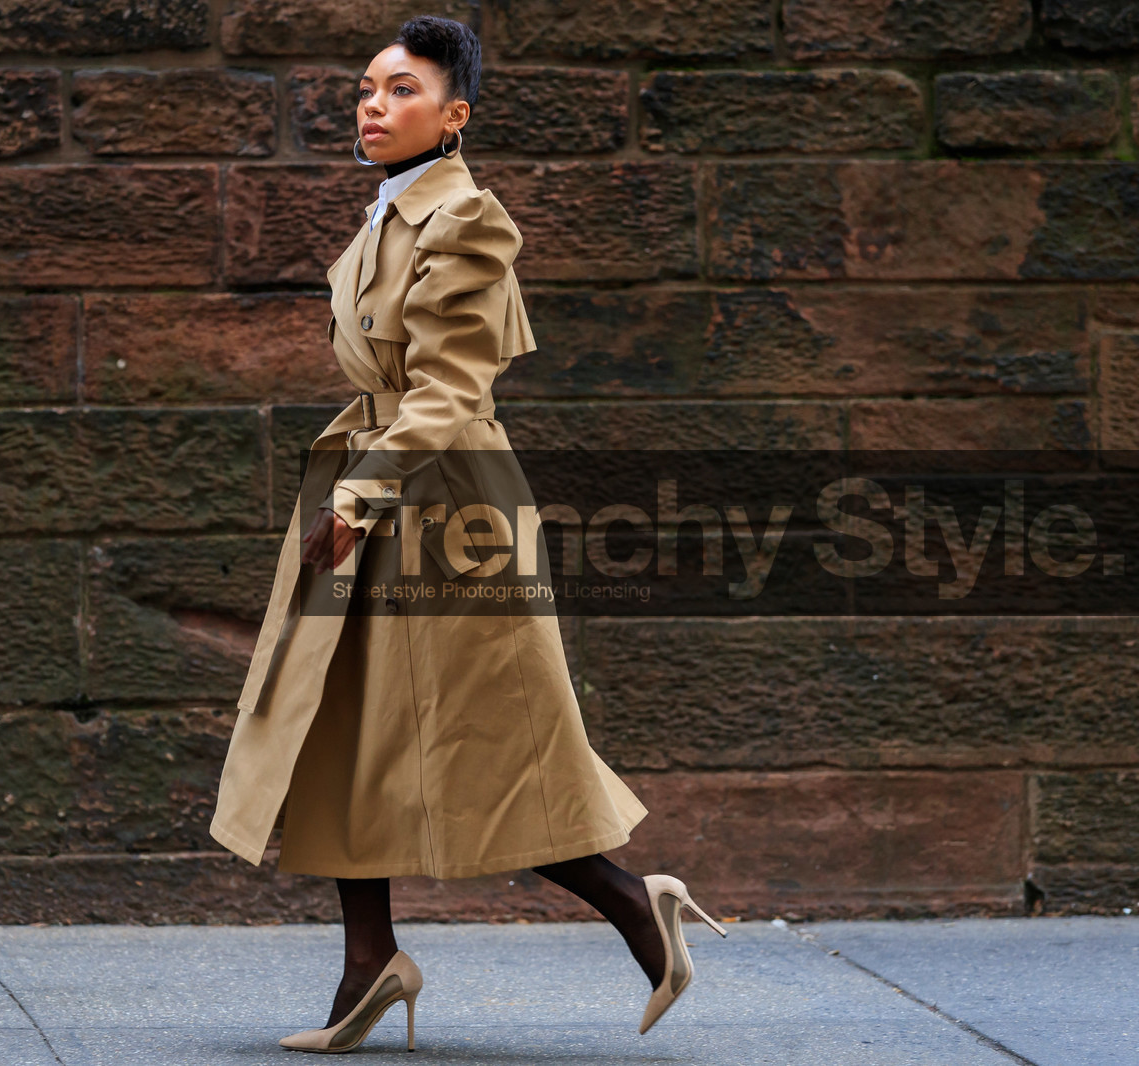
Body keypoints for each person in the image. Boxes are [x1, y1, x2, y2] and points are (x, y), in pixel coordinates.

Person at [208, 16, 724, 1053]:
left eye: (399, 90)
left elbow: (447, 392)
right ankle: (369, 962)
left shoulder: (469, 221)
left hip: (444, 509)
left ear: (454, 116)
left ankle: (633, 899)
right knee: (340, 725)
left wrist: (355, 503)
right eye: (365, 87)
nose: (370, 104)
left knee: (491, 748)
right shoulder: (387, 217)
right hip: (383, 480)